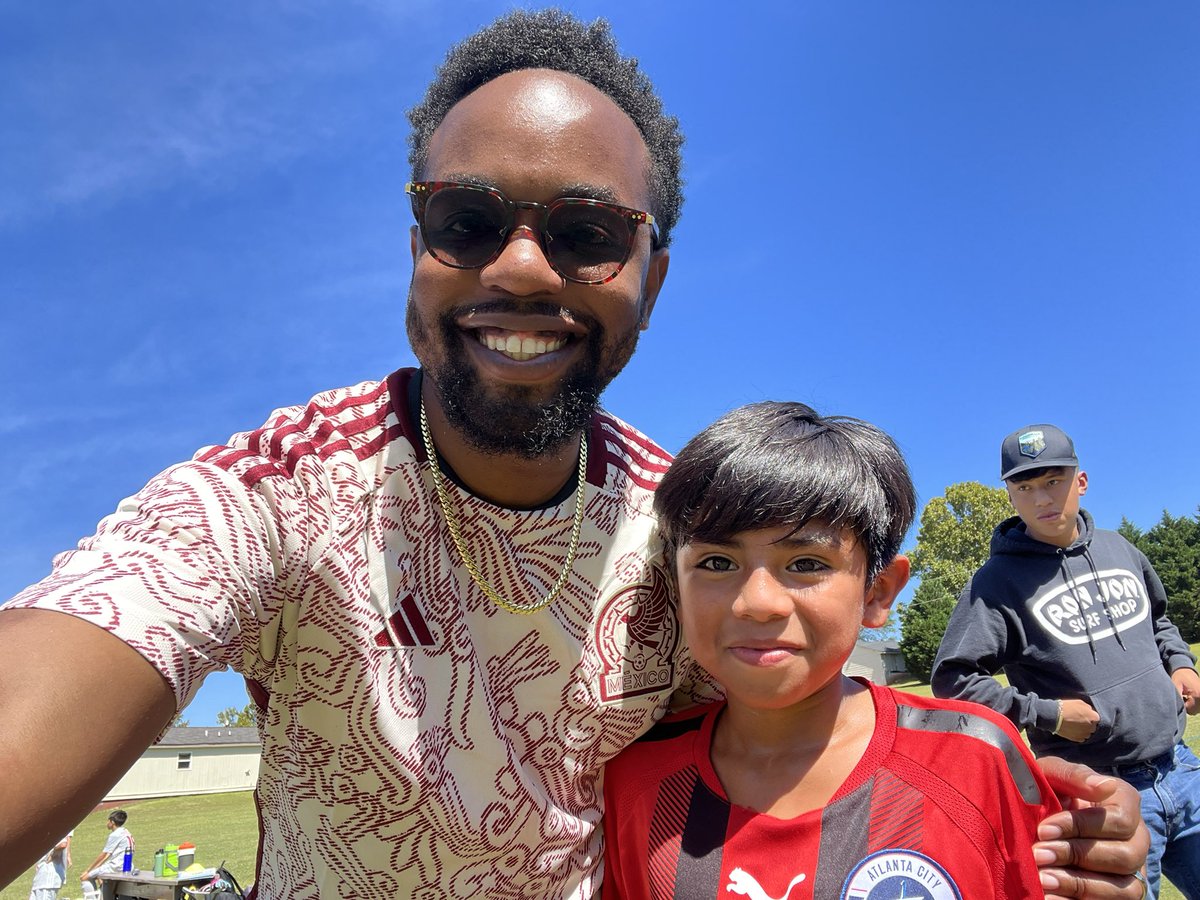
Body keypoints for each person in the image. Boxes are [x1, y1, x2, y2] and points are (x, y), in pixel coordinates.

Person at [0, 10, 1147, 899]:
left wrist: (1067, 827)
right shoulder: (275, 495)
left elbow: (814, 737)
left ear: (653, 276)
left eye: (587, 234)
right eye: (466, 220)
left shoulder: (689, 529)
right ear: (415, 249)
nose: (523, 269)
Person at [604, 401, 1063, 898]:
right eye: (716, 563)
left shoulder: (976, 759)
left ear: (878, 592)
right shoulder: (632, 778)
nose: (758, 603)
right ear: (675, 584)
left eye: (805, 563)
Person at [932, 423, 1199, 897]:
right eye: (1024, 486)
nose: (1040, 498)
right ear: (1010, 495)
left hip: (1181, 768)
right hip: (1100, 792)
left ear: (1081, 481)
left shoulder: (1121, 549)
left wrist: (1181, 664)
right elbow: (953, 680)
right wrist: (1048, 715)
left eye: (1053, 481)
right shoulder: (995, 584)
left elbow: (1159, 621)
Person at [80, 810, 132, 893]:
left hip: (116, 866)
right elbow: (108, 855)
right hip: (127, 865)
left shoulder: (115, 835)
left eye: (108, 821)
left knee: (84, 878)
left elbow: (104, 855)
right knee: (98, 876)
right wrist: (96, 868)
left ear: (112, 822)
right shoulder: (125, 831)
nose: (107, 823)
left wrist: (88, 870)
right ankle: (102, 895)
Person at [28, 831, 71, 900]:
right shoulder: (46, 833)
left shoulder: (55, 831)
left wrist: (53, 854)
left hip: (47, 879)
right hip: (40, 879)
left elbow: (63, 844)